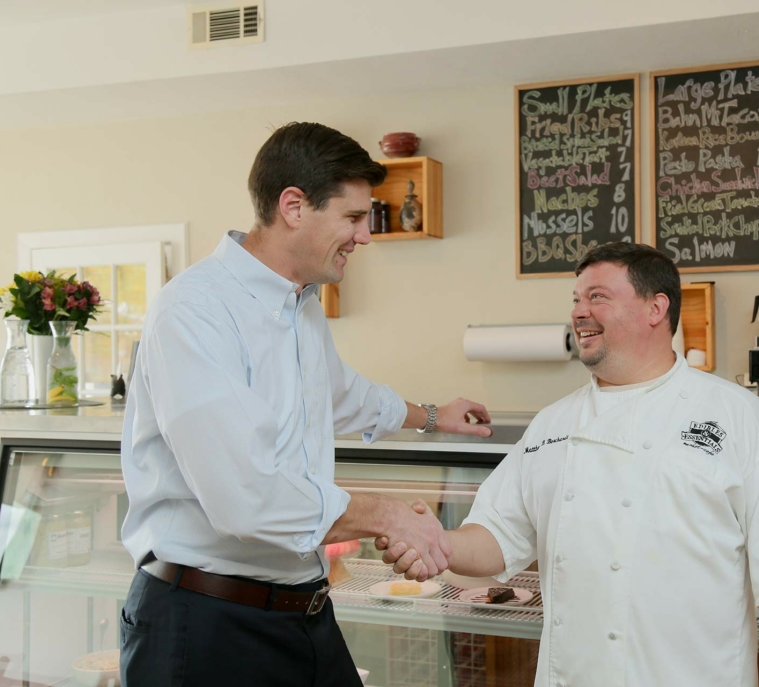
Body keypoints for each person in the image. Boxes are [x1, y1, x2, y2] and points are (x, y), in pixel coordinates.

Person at [119, 121, 492, 687]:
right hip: (206, 624)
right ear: (293, 206)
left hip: (305, 615)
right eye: (353, 217)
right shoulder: (194, 311)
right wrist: (387, 516)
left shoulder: (302, 305)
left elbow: (341, 394)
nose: (365, 236)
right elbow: (247, 496)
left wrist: (435, 415)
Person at [380, 242, 759, 686]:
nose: (579, 311)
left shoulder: (735, 416)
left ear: (655, 309)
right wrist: (438, 542)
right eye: (577, 299)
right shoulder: (551, 424)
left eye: (597, 297)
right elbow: (496, 538)